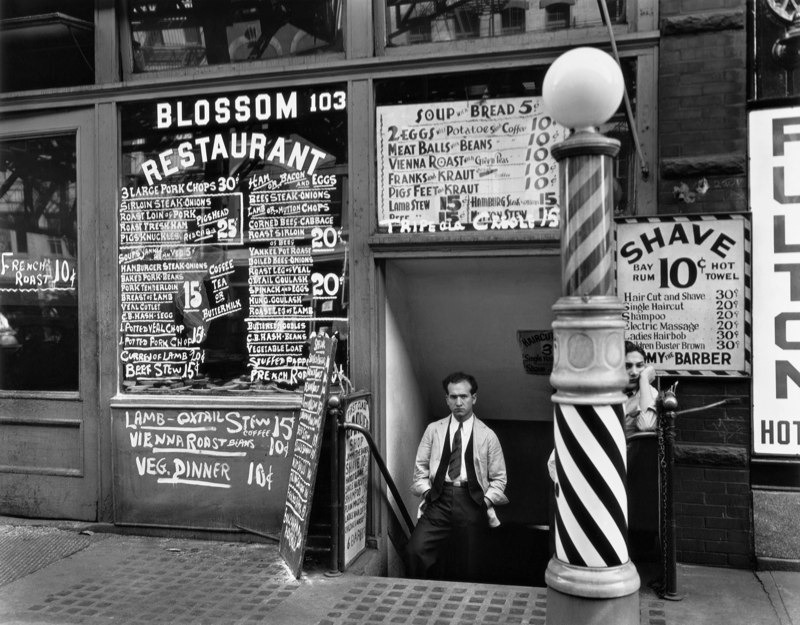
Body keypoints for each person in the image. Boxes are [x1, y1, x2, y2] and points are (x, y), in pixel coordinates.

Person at [405, 371, 508, 581]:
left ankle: (465, 608)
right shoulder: (434, 430)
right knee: (415, 551)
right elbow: (420, 471)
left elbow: (499, 479)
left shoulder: (487, 435)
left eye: (464, 396)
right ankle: (420, 598)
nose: (458, 402)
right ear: (447, 399)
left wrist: (485, 501)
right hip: (438, 500)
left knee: (467, 564)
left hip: (471, 500)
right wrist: (428, 493)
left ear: (474, 398)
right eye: (453, 397)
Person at [547, 340, 659, 482]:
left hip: (615, 473)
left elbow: (647, 425)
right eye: (627, 366)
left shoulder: (648, 394)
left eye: (640, 366)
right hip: (577, 467)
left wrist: (644, 380)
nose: (634, 372)